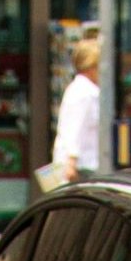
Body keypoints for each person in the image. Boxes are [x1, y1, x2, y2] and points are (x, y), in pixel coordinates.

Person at [50, 38, 103, 186]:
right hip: (82, 165)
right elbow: (75, 128)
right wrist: (72, 162)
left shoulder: (82, 89)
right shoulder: (84, 92)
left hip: (85, 162)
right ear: (92, 66)